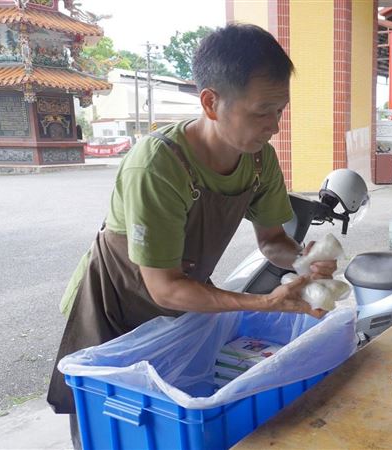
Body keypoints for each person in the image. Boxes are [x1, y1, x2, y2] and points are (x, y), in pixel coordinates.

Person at [48, 25, 335, 446]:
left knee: (175, 418)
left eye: (280, 111)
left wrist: (303, 262)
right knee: (115, 422)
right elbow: (164, 287)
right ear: (211, 103)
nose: (274, 125)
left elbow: (272, 240)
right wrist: (262, 302)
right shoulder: (159, 165)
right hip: (115, 303)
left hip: (182, 293)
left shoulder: (259, 160)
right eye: (262, 111)